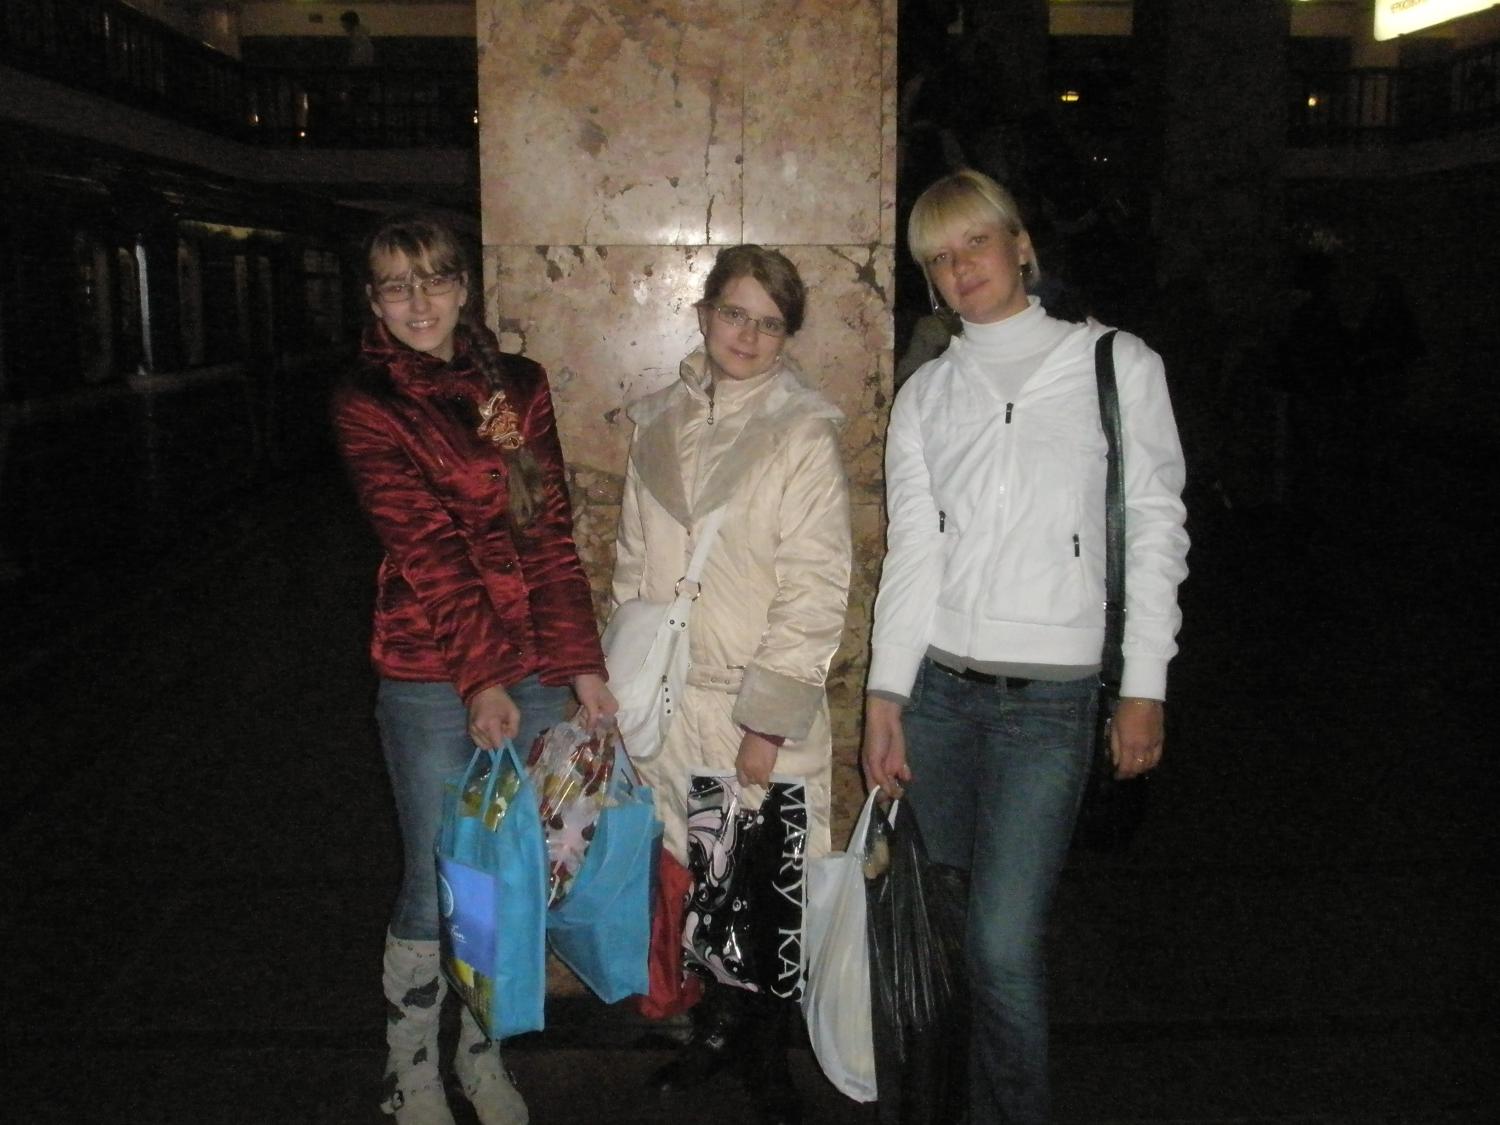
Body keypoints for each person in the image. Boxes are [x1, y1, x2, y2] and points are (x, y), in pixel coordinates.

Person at [861, 169, 1189, 1124]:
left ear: (1019, 243)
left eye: (976, 241)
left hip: (1051, 701)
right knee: (941, 931)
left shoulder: (1116, 365)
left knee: (1002, 945)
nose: (962, 267)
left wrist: (1144, 684)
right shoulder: (927, 394)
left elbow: (1155, 528)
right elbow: (913, 553)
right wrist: (885, 696)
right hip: (940, 696)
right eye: (939, 257)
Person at [333, 212, 616, 1125]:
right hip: (429, 671)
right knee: (436, 876)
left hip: (531, 666)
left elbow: (549, 534)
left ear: (464, 287)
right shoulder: (368, 399)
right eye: (396, 285)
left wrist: (582, 666)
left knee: (504, 873)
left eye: (434, 279)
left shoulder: (517, 386)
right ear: (375, 301)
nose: (418, 301)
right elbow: (426, 548)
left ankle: (481, 1051)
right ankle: (409, 1067)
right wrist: (481, 679)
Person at [610, 245, 852, 1125]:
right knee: (707, 880)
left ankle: (767, 1054)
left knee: (767, 884)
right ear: (705, 311)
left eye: (769, 323)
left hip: (754, 703)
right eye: (734, 313)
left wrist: (769, 722)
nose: (747, 335)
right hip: (679, 702)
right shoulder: (657, 423)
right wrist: (623, 687)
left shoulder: (801, 433)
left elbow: (816, 589)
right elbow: (631, 568)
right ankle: (717, 1028)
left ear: (787, 336)